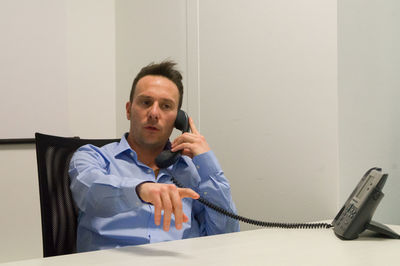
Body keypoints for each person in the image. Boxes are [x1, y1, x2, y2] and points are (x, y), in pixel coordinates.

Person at [69, 60, 239, 252]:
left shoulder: (191, 171)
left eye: (166, 106)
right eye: (146, 102)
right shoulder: (92, 157)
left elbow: (226, 237)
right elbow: (91, 194)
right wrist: (140, 190)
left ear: (177, 120)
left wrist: (207, 162)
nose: (154, 113)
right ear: (128, 109)